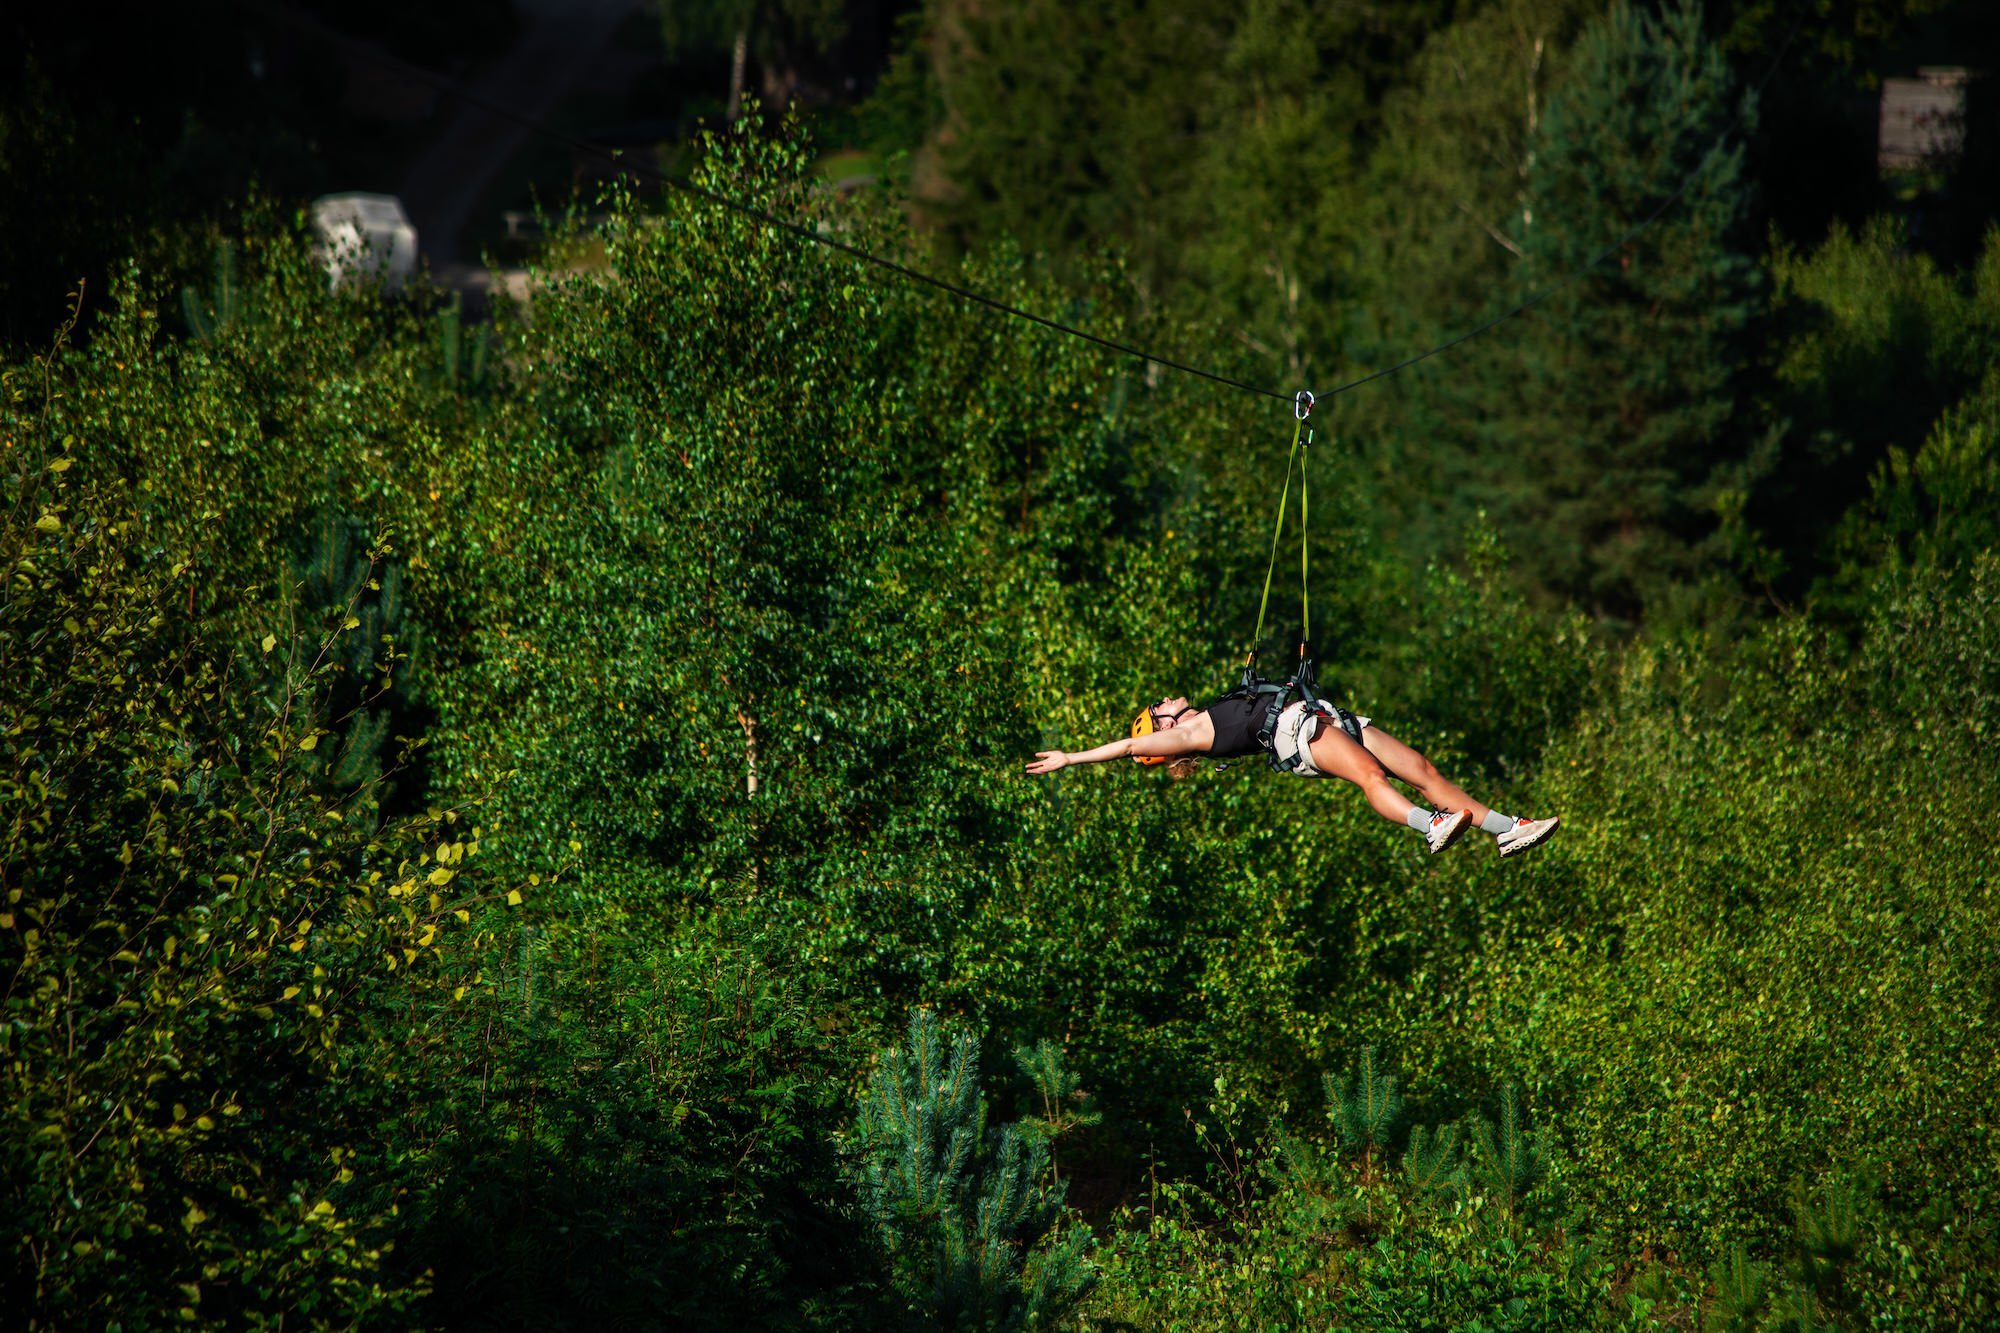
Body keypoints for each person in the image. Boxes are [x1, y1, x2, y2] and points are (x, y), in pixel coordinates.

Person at [1024, 690, 1559, 856]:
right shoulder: (1187, 736)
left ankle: (1506, 830)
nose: (1166, 699)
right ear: (1161, 730)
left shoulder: (1204, 715)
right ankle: (1429, 825)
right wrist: (1071, 757)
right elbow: (1128, 746)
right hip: (1294, 731)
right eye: (1158, 706)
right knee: (1372, 776)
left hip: (1320, 714)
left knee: (1419, 767)